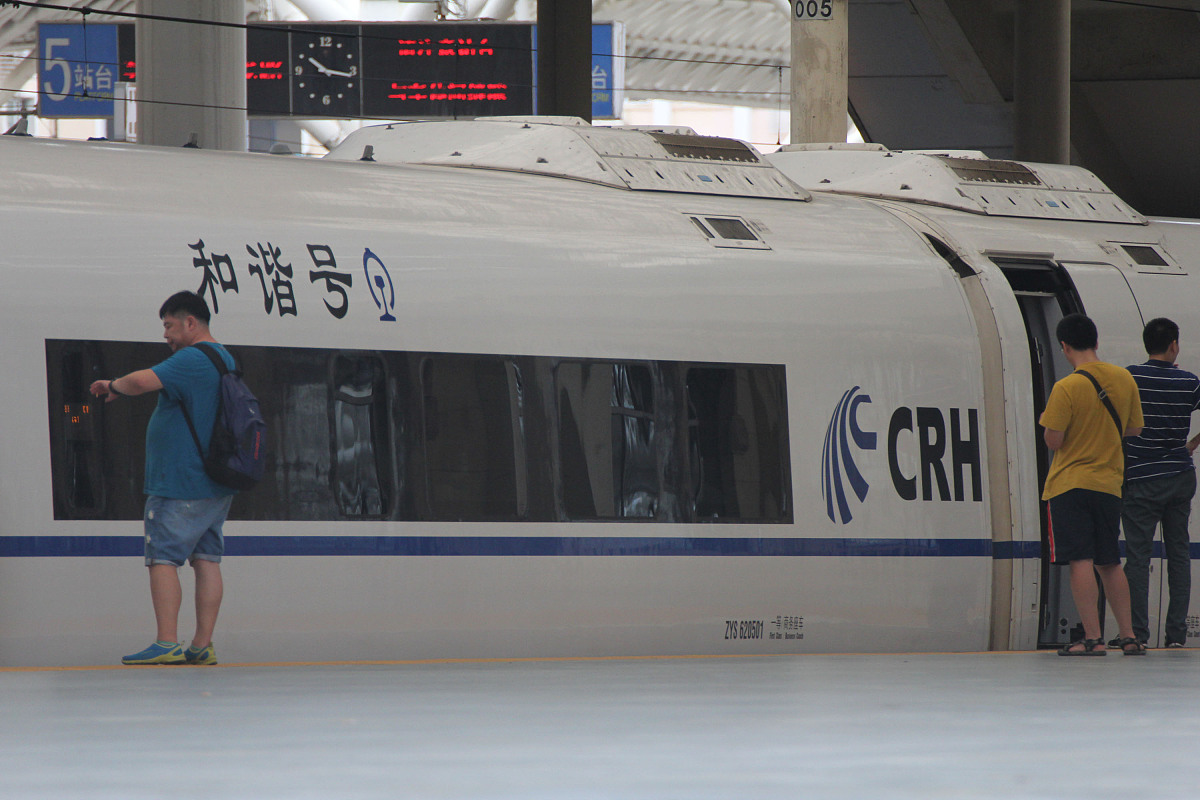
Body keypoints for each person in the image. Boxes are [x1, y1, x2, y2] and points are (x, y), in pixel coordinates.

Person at [90, 291, 236, 666]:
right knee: (206, 559)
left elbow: (143, 381)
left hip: (180, 481)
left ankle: (167, 641)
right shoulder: (225, 358)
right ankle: (202, 644)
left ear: (191, 323)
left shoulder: (192, 358)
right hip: (213, 482)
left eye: (169, 326)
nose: (166, 335)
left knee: (163, 558)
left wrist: (113, 385)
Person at [1040, 313, 1146, 656]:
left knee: (1081, 560)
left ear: (1064, 346)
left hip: (1070, 484)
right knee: (1110, 561)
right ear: (1096, 342)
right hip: (1109, 483)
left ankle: (1092, 638)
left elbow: (1053, 440)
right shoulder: (1123, 378)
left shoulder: (1066, 387)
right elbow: (1133, 429)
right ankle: (1128, 635)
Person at [1119, 317, 1200, 648]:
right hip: (1180, 477)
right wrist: (1192, 444)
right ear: (1174, 345)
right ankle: (1176, 636)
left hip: (1140, 479)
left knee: (1138, 556)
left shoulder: (1130, 378)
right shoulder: (1190, 382)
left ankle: (1137, 634)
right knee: (1179, 553)